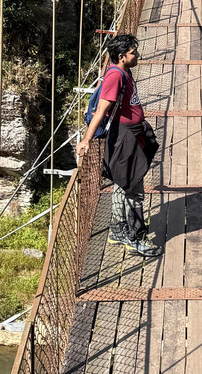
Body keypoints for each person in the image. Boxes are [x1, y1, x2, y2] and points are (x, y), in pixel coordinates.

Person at [77, 33, 161, 258]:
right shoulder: (115, 76)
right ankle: (136, 238)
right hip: (125, 137)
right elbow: (101, 110)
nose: (138, 55)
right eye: (133, 52)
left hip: (133, 134)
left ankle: (117, 229)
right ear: (122, 56)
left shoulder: (125, 71)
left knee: (123, 183)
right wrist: (86, 140)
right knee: (133, 188)